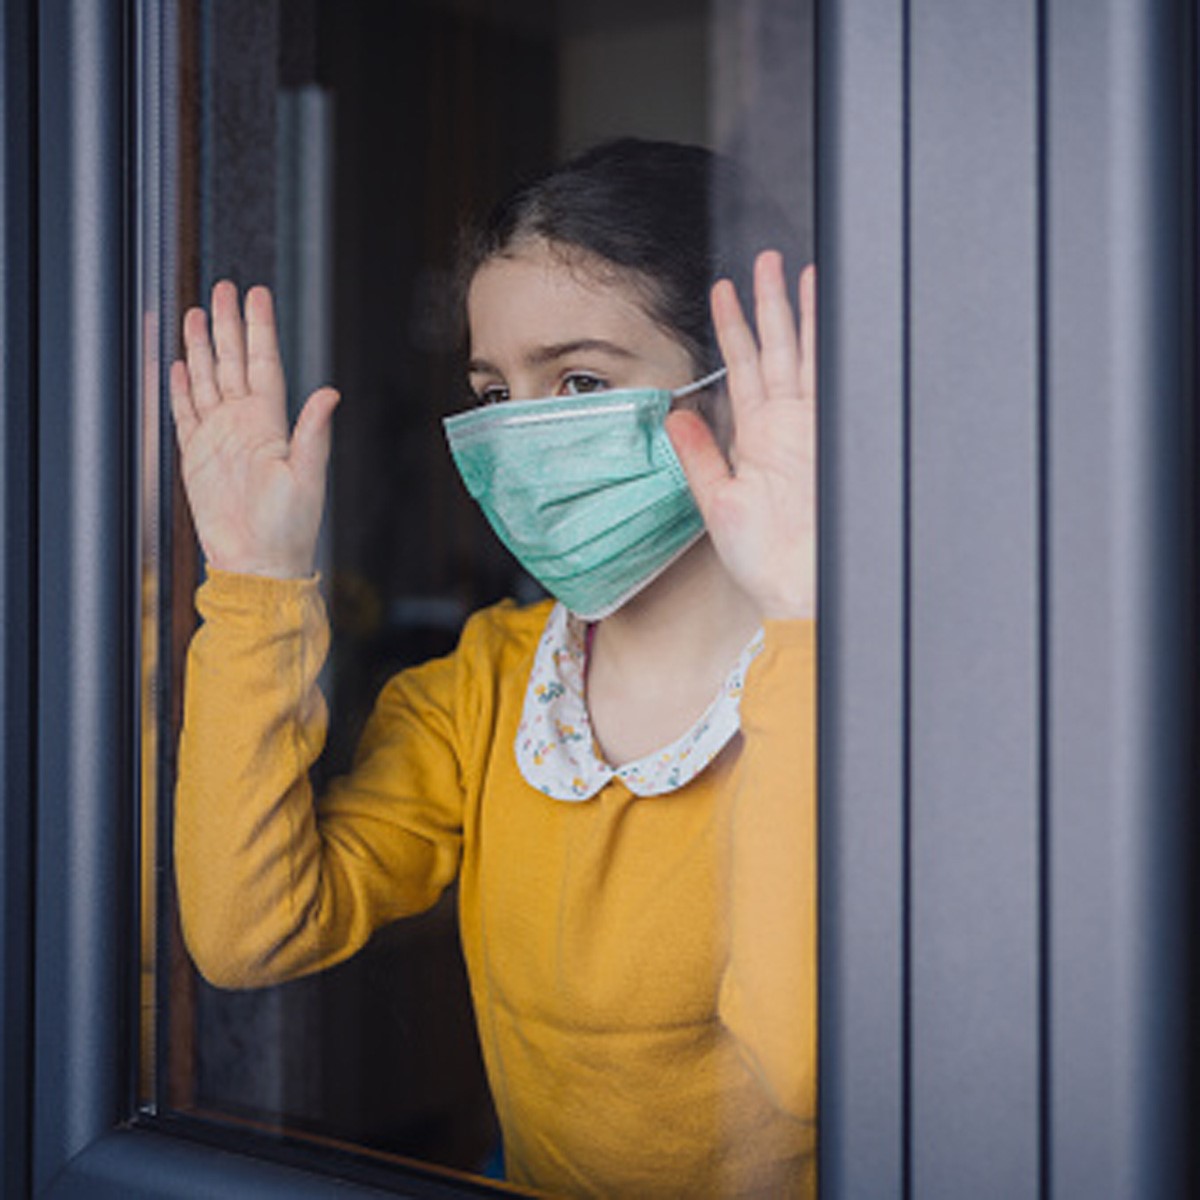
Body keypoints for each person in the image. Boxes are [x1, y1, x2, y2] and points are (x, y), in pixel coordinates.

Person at [170, 138, 816, 1198]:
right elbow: (249, 935)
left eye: (576, 380)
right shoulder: (482, 687)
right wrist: (254, 580)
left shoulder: (854, 696)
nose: (522, 436)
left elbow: (802, 1065)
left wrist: (803, 620)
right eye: (493, 390)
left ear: (741, 388)